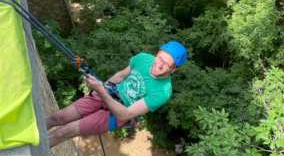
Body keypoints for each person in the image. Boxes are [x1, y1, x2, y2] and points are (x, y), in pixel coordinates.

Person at [46, 41, 187, 148]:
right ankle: (28, 130)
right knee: (59, 116)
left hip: (118, 113)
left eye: (167, 64)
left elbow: (125, 114)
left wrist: (100, 90)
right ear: (157, 53)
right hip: (110, 91)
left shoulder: (162, 92)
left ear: (173, 69)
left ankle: (36, 148)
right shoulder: (143, 59)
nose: (159, 64)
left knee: (64, 132)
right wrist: (98, 90)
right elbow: (120, 76)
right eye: (160, 57)